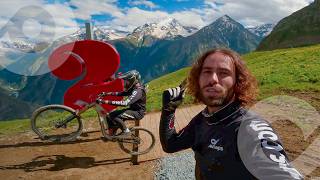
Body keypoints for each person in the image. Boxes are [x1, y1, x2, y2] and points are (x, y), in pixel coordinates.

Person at [159, 48, 303, 179]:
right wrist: (169, 111)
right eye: (207, 71)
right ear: (198, 79)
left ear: (237, 82)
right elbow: (171, 145)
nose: (213, 79)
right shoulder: (202, 119)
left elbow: (280, 171)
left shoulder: (250, 128)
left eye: (224, 73)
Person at [97, 70, 146, 135]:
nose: (126, 83)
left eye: (127, 81)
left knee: (116, 117)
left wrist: (105, 101)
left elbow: (125, 103)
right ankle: (112, 132)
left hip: (138, 113)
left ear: (133, 80)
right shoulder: (134, 87)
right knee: (110, 115)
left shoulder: (138, 91)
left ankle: (126, 131)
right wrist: (106, 93)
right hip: (133, 109)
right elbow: (121, 93)